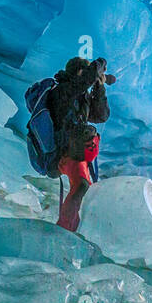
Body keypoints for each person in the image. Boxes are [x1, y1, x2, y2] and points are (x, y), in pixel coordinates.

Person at [48, 56, 112, 231]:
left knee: (84, 189)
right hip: (64, 154)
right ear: (79, 73)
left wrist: (99, 87)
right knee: (82, 186)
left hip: (77, 151)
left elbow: (101, 116)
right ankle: (64, 230)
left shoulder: (80, 96)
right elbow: (82, 82)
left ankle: (74, 227)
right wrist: (99, 64)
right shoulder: (62, 91)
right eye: (87, 73)